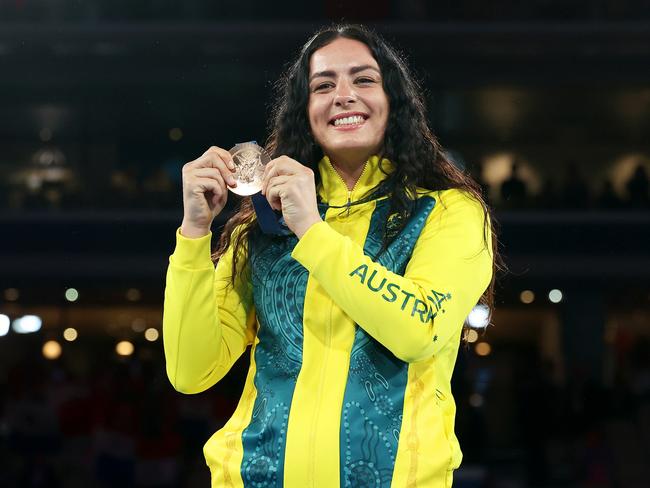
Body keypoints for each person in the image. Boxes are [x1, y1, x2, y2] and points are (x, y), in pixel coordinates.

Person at [163, 23, 498, 488]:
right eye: (323, 85)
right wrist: (195, 234)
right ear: (306, 110)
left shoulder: (446, 213)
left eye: (363, 80)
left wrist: (312, 231)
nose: (343, 95)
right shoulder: (260, 229)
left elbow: (419, 331)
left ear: (394, 102)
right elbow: (190, 370)